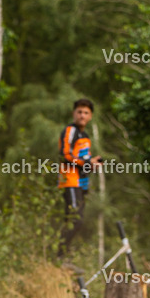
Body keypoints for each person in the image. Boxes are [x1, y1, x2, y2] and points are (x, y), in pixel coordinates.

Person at [58, 98, 102, 257]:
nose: (82, 116)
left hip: (82, 182)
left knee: (78, 220)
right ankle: (60, 255)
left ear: (90, 116)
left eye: (86, 113)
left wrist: (92, 164)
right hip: (69, 180)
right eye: (79, 112)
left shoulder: (86, 135)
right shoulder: (71, 130)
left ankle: (64, 254)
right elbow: (65, 154)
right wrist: (86, 162)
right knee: (75, 219)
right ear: (73, 113)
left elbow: (84, 161)